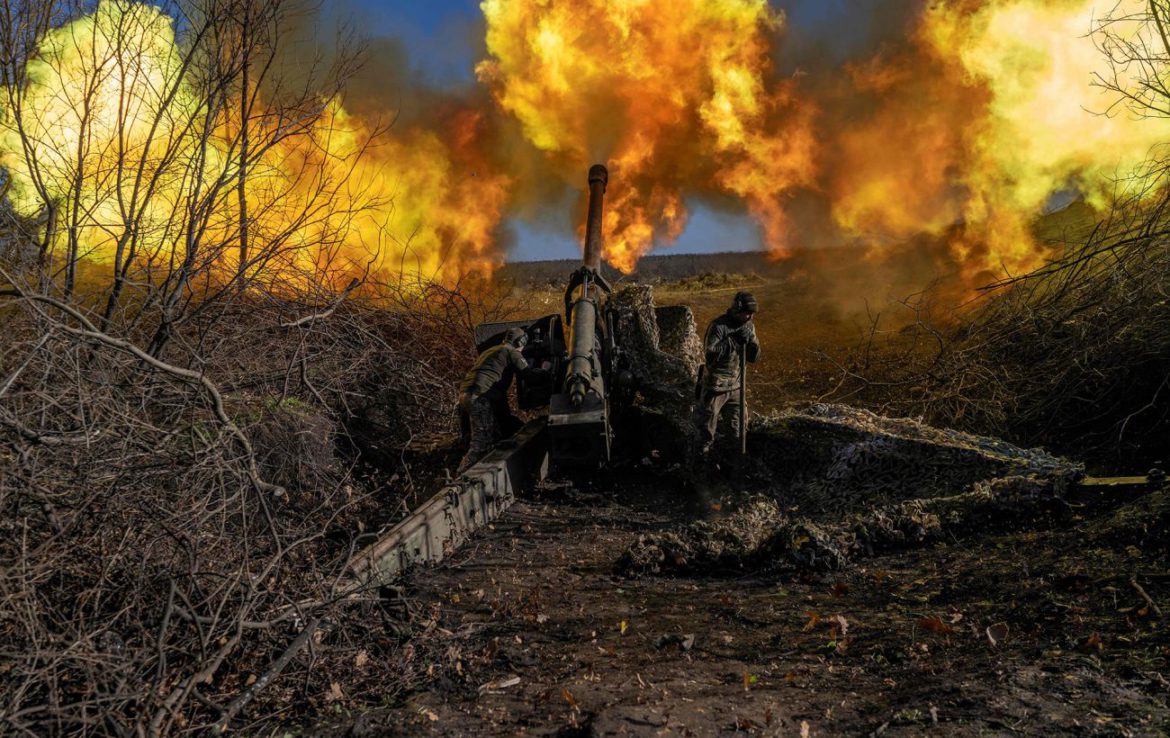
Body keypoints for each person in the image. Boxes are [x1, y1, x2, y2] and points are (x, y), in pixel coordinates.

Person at [457, 327, 542, 471]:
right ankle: (461, 474)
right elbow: (529, 376)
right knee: (481, 443)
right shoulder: (511, 351)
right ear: (521, 341)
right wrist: (545, 370)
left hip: (466, 395)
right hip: (480, 397)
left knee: (497, 432)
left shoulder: (490, 350)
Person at [694, 291, 760, 456]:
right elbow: (710, 355)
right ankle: (702, 467)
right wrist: (732, 341)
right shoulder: (719, 326)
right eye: (746, 313)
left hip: (736, 387)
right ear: (737, 309)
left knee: (738, 432)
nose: (749, 316)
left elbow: (755, 358)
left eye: (751, 314)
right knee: (705, 433)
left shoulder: (749, 326)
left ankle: (735, 467)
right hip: (715, 388)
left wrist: (751, 342)